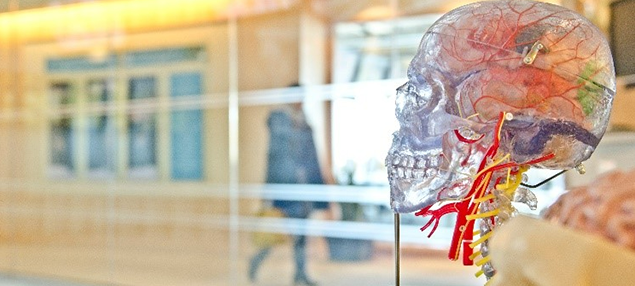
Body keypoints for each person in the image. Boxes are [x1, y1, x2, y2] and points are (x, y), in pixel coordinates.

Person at [249, 86, 326, 286]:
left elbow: (312, 158)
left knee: (300, 235)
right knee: (275, 233)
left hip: (303, 190)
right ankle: (256, 260)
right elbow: (274, 159)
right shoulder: (281, 121)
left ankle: (300, 273)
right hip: (286, 190)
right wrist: (269, 192)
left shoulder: (304, 122)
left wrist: (318, 191)